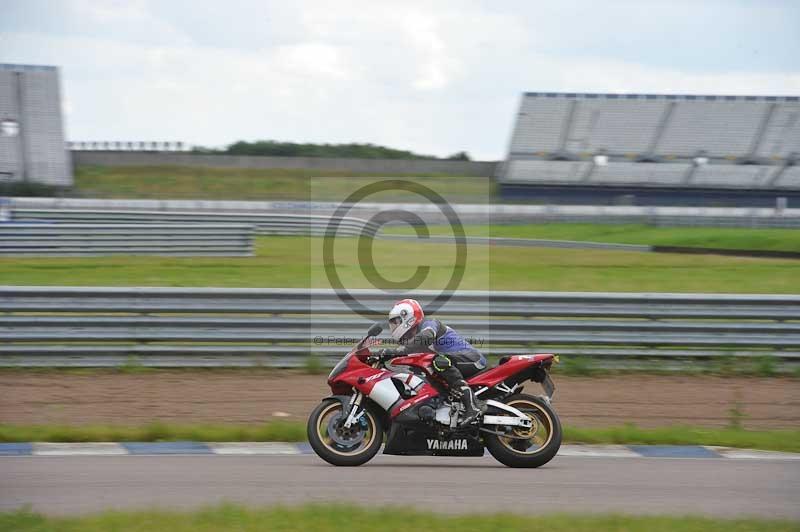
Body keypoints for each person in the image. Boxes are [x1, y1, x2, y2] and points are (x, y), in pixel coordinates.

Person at [382, 298, 486, 425]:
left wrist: (398, 351)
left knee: (439, 361)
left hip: (472, 359)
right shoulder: (414, 339)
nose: (394, 326)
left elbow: (427, 336)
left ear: (407, 316)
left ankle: (474, 406)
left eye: (396, 321)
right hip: (454, 363)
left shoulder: (428, 323)